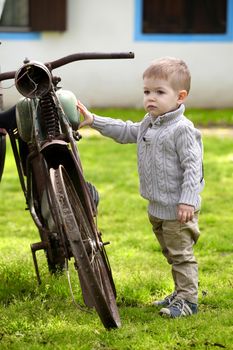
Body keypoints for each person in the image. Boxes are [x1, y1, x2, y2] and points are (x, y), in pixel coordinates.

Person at [77, 57, 204, 318]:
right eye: (147, 91)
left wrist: (188, 200)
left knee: (181, 255)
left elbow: (194, 167)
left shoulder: (182, 129)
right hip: (157, 207)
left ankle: (188, 301)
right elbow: (126, 131)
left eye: (159, 92)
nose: (151, 98)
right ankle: (180, 292)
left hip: (179, 209)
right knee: (171, 253)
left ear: (180, 97)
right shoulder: (150, 121)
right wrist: (94, 120)